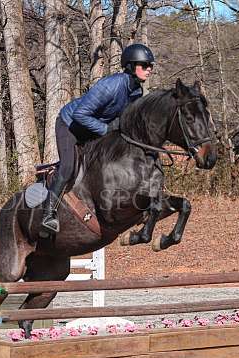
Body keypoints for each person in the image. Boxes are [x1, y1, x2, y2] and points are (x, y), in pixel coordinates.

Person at [39, 43, 155, 236]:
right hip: (70, 125)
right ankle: (47, 214)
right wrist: (106, 129)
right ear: (131, 66)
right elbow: (81, 115)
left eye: (150, 65)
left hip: (93, 130)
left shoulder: (136, 92)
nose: (149, 69)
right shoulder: (111, 85)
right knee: (68, 168)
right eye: (145, 65)